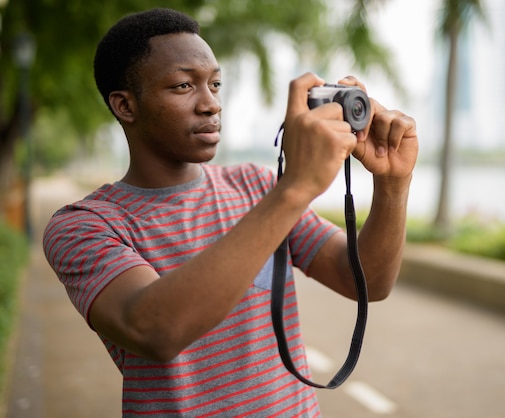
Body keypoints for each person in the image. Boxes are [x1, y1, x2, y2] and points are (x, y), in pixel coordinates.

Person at [43, 7, 418, 417]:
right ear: (125, 106)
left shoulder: (256, 186)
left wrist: (393, 184)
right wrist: (296, 188)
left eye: (215, 84)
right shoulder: (84, 225)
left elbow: (367, 280)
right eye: (184, 86)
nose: (211, 104)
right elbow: (154, 329)